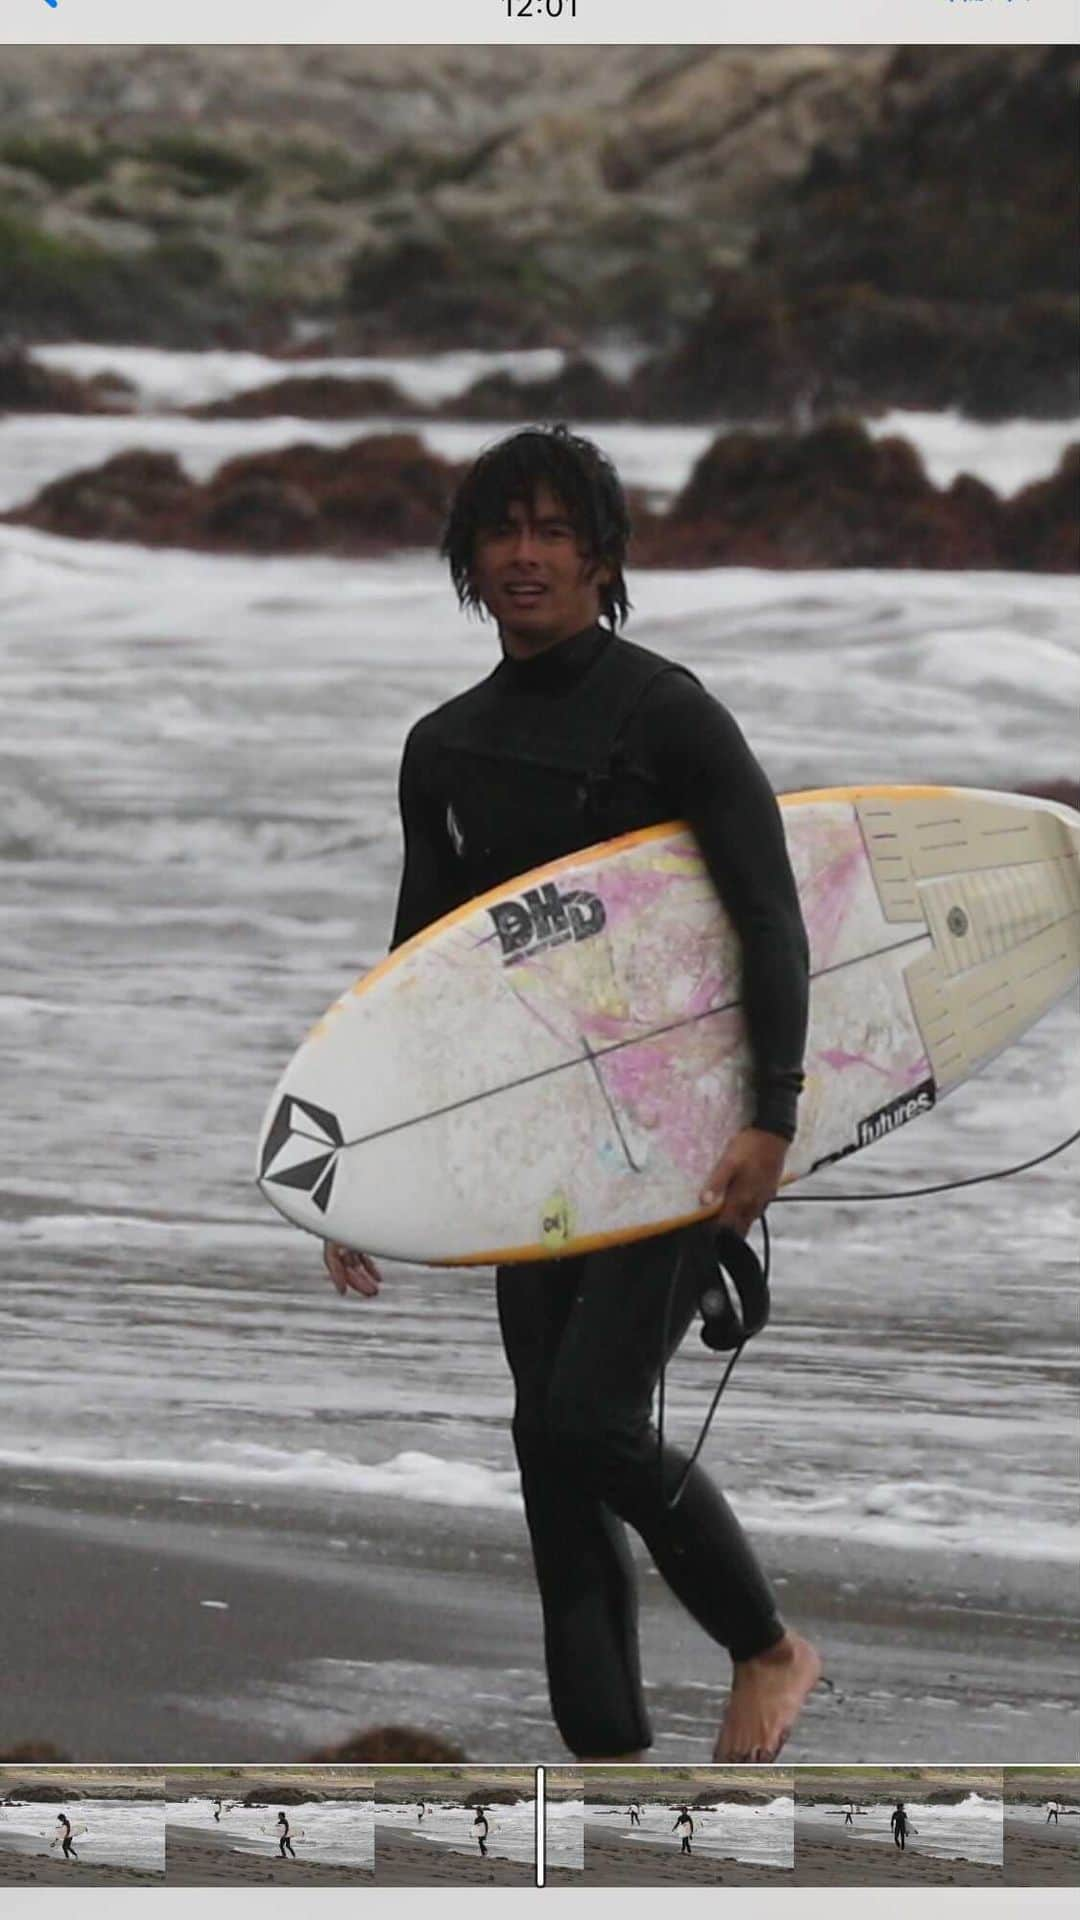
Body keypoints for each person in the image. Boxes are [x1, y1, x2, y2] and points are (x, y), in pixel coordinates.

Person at [323, 426, 822, 1762]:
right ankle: (607, 1762)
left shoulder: (670, 715)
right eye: (504, 532)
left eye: (555, 532)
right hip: (531, 1140)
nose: (527, 555)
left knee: (587, 1417)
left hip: (681, 1133)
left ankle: (769, 1649)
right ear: (470, 561)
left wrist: (770, 1115)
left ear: (603, 557)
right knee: (548, 1455)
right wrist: (362, 1166)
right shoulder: (446, 748)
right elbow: (422, 979)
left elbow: (772, 920)